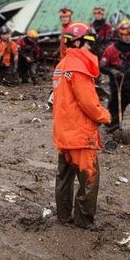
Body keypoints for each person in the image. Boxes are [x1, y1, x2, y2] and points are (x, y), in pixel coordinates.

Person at [52, 22, 111, 228]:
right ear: (78, 42)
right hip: (79, 136)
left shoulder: (61, 66)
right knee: (89, 178)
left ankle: (63, 216)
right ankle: (84, 220)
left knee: (64, 178)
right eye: (88, 43)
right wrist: (105, 115)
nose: (90, 48)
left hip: (64, 134)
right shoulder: (78, 67)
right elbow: (89, 104)